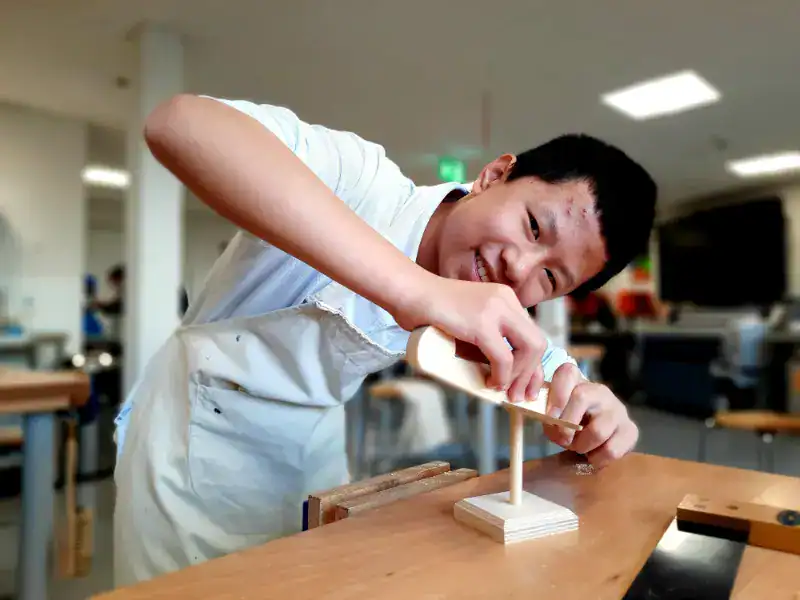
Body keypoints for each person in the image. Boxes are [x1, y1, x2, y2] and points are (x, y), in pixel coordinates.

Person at [113, 94, 657, 585]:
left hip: (310, 455)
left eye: (551, 278)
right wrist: (416, 291)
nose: (519, 266)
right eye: (535, 228)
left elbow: (552, 376)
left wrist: (595, 410)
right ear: (495, 175)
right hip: (190, 453)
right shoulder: (362, 180)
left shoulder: (493, 305)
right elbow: (180, 124)